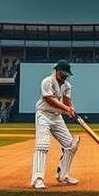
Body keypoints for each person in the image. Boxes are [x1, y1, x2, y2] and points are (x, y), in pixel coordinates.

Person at [30, 60, 80, 189]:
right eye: (62, 75)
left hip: (56, 117)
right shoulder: (47, 81)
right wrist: (66, 109)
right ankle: (37, 179)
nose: (64, 78)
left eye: (66, 76)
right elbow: (49, 100)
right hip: (43, 115)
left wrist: (71, 111)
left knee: (71, 145)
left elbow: (67, 102)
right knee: (42, 145)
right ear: (56, 71)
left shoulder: (67, 85)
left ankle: (63, 175)